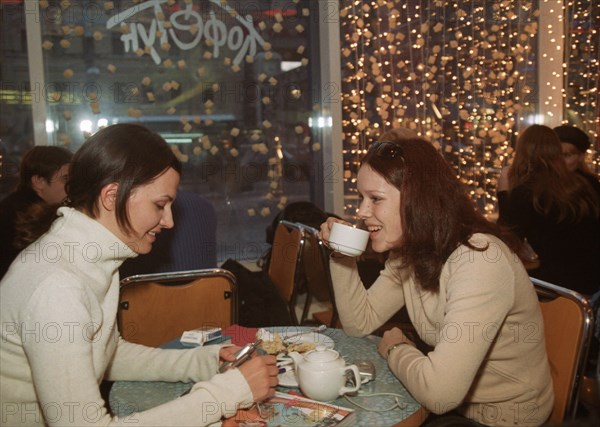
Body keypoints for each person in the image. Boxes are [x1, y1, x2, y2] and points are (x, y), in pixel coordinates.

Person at [0, 124, 278, 426]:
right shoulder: (58, 286)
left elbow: (107, 353)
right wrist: (226, 393)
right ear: (111, 196)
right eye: (160, 205)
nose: (169, 221)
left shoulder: (87, 256)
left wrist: (204, 361)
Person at [320, 133, 554, 426]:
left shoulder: (479, 259)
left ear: (418, 199)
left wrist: (396, 348)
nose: (363, 212)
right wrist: (342, 253)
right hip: (451, 409)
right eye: (362, 198)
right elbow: (359, 322)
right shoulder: (411, 253)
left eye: (375, 199)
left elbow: (440, 393)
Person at [497, 124, 599, 296]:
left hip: (555, 289)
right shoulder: (584, 185)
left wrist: (503, 193)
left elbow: (507, 238)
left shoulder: (528, 192)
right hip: (591, 284)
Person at [0, 146, 72, 278]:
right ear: (39, 181)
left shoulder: (13, 205)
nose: (70, 187)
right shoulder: (27, 217)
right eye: (65, 179)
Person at [553, 124, 600, 197]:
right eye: (555, 154)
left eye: (566, 155)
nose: (560, 161)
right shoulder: (541, 184)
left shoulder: (590, 187)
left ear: (580, 157)